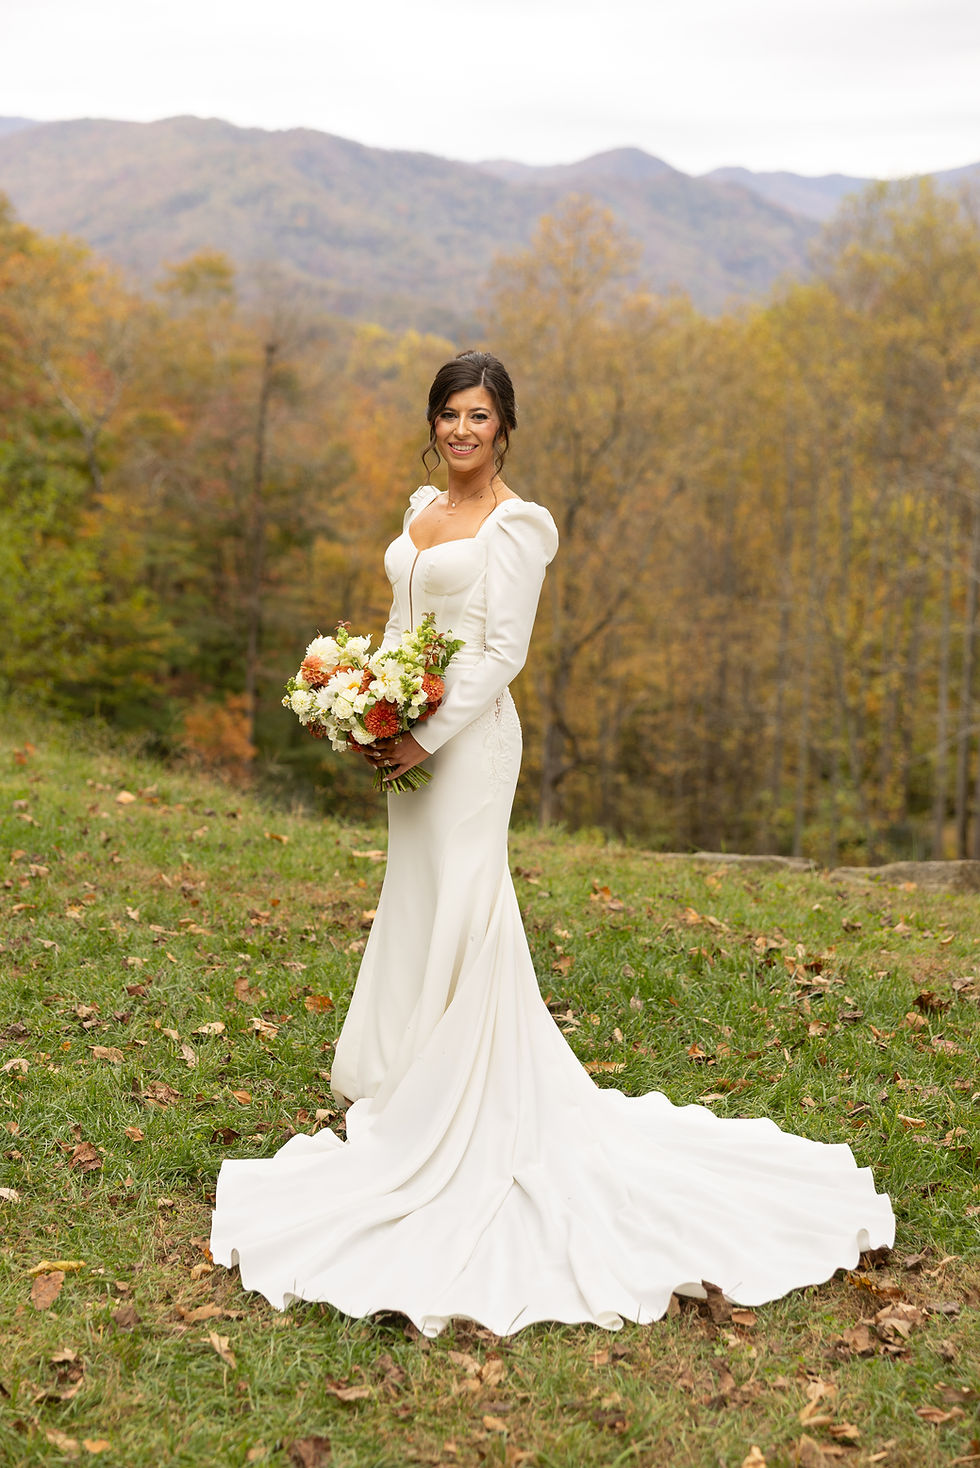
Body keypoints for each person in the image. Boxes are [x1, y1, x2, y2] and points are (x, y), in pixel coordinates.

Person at [210, 351, 894, 1337]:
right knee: (417, 901)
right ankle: (410, 1087)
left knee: (466, 904)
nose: (459, 430)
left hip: (468, 743)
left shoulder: (515, 527)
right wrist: (369, 709)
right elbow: (409, 625)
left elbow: (498, 655)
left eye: (478, 416)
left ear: (504, 428)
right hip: (405, 731)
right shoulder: (418, 508)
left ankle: (469, 1109)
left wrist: (422, 732)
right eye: (448, 413)